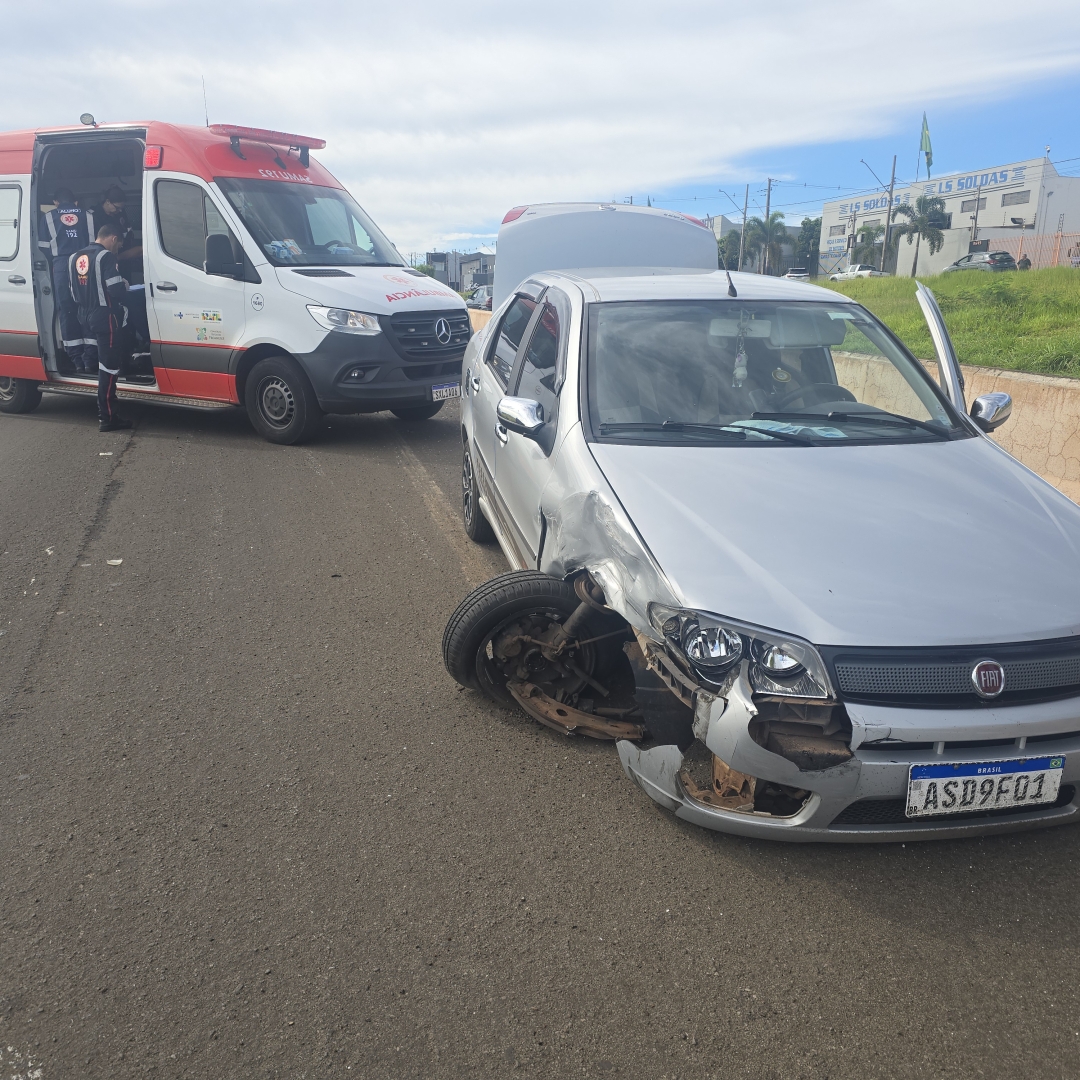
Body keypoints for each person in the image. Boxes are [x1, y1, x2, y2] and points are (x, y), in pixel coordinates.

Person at [69, 223, 133, 432]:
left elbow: (72, 291)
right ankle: (108, 417)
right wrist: (126, 287)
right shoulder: (106, 256)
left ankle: (108, 413)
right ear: (113, 238)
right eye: (118, 245)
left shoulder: (75, 256)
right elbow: (114, 288)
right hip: (106, 317)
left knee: (103, 364)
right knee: (109, 367)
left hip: (85, 315)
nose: (117, 250)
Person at [39, 187, 96, 373]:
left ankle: (76, 360)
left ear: (56, 202)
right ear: (75, 202)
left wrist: (59, 260)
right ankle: (90, 359)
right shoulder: (87, 215)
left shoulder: (48, 217)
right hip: (84, 264)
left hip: (61, 265)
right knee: (88, 306)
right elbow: (94, 244)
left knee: (67, 310)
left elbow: (44, 248)